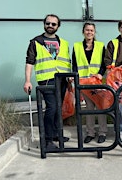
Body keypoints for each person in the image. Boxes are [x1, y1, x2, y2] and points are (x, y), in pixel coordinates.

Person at [23, 14, 71, 149]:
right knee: (52, 108)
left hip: (62, 80)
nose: (50, 26)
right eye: (48, 23)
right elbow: (29, 62)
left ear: (58, 26)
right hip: (47, 81)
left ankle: (56, 133)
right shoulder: (36, 42)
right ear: (44, 24)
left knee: (58, 109)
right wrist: (27, 81)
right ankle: (47, 140)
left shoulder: (64, 43)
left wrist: (69, 78)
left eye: (53, 24)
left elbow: (67, 62)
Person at [72, 22, 108, 144]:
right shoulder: (77, 47)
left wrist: (100, 73)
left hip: (98, 82)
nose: (89, 32)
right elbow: (75, 65)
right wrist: (75, 80)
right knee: (89, 108)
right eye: (87, 30)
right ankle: (90, 133)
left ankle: (102, 132)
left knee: (100, 106)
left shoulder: (100, 46)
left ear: (94, 32)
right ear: (83, 32)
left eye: (91, 30)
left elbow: (105, 63)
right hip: (84, 82)